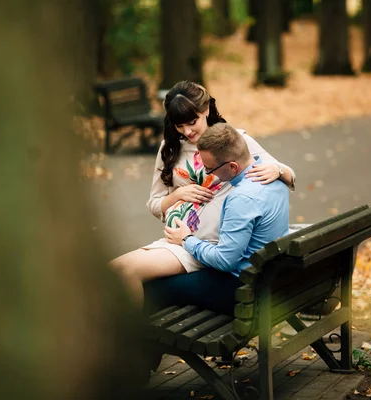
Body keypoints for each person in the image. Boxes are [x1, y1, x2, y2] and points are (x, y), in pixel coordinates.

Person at [109, 81, 295, 306]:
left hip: (210, 244)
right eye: (179, 126)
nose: (187, 131)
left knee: (123, 273)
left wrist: (278, 169)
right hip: (178, 240)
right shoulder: (169, 149)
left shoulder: (231, 141)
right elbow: (155, 204)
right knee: (113, 271)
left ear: (205, 109)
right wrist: (178, 195)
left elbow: (284, 173)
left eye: (192, 121)